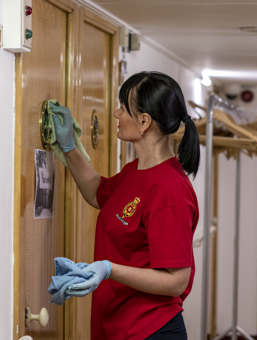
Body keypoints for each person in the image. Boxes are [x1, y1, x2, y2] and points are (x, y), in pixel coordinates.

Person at [51, 71, 200, 340]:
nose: (116, 114)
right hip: (118, 324)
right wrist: (69, 146)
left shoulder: (170, 191)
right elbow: (98, 192)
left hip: (148, 330)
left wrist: (109, 269)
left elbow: (177, 281)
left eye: (123, 107)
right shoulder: (137, 171)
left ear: (144, 121)